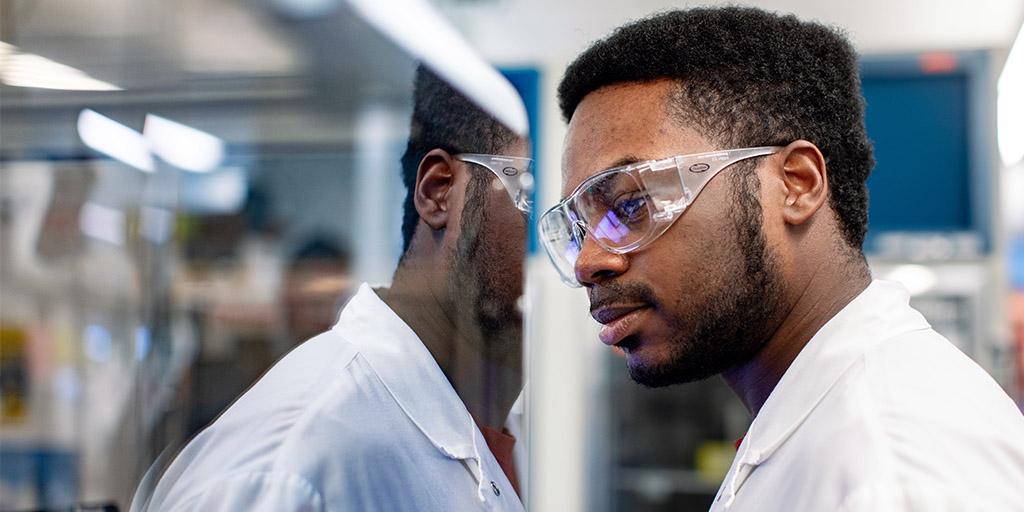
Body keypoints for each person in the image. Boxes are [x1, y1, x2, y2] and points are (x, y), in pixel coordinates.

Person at [541, 7, 1024, 510]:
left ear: (796, 185)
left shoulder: (895, 469)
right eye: (576, 228)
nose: (588, 262)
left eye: (631, 205)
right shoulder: (815, 422)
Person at [137, 66, 531, 511]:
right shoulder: (291, 469)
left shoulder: (518, 433)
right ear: (439, 191)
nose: (581, 249)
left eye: (599, 210)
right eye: (538, 196)